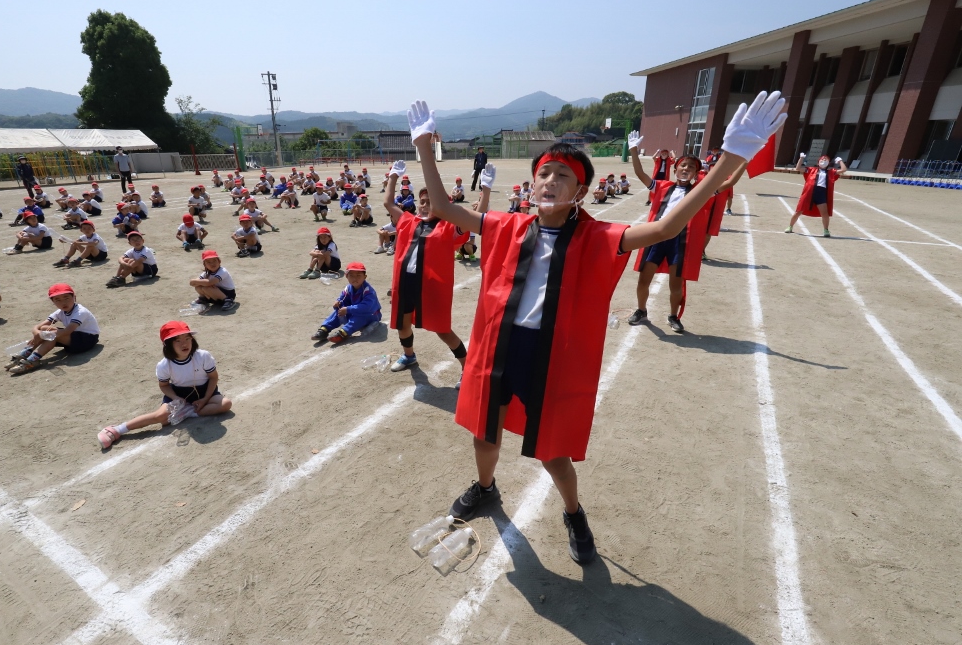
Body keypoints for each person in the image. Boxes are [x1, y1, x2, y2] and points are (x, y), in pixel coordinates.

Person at [404, 93, 783, 562]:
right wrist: (424, 143)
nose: (550, 179)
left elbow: (665, 228)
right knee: (485, 432)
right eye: (543, 172)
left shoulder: (597, 235)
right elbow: (440, 206)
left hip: (552, 355)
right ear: (532, 182)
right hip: (501, 348)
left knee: (552, 452)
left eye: (563, 175)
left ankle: (573, 512)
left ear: (580, 191)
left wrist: (730, 159)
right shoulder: (507, 226)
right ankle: (486, 487)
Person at [383, 157, 491, 383]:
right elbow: (388, 203)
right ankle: (409, 355)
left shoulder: (447, 226)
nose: (425, 205)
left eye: (430, 201)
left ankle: (467, 367)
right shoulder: (408, 221)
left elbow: (474, 221)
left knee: (442, 330)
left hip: (431, 287)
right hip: (406, 283)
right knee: (402, 324)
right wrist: (393, 175)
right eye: (422, 200)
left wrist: (486, 190)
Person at [626, 135, 718, 333]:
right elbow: (640, 173)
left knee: (675, 285)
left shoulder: (698, 192)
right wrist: (633, 149)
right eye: (683, 165)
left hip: (679, 241)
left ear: (696, 174)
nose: (686, 169)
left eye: (691, 167)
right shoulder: (662, 186)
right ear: (675, 169)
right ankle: (641, 310)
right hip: (656, 237)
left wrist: (742, 161)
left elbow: (726, 184)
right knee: (644, 279)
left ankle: (673, 315)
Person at [96, 321, 233, 450]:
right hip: (179, 394)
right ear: (168, 345)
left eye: (187, 338)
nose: (184, 344)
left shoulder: (203, 356)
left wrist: (204, 400)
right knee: (160, 417)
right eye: (177, 341)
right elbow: (164, 385)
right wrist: (176, 398)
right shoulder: (164, 365)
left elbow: (213, 377)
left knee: (226, 404)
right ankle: (117, 429)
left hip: (205, 391)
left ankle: (189, 412)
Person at [5, 283, 100, 374]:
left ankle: (32, 360)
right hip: (73, 338)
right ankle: (25, 354)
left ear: (74, 297)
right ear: (53, 302)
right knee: (44, 329)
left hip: (87, 340)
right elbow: (37, 327)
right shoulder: (60, 312)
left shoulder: (80, 311)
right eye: (58, 300)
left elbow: (68, 331)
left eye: (66, 298)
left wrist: (42, 335)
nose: (63, 302)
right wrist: (37, 334)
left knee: (50, 334)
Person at [310, 261, 382, 343]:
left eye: (358, 276)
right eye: (351, 276)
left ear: (365, 277)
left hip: (371, 315)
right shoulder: (348, 288)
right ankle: (324, 329)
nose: (355, 278)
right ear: (346, 276)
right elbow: (342, 298)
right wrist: (338, 302)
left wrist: (348, 309)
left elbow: (366, 307)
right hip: (354, 310)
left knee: (359, 317)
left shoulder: (368, 290)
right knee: (339, 310)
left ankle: (343, 333)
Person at [786, 154, 848, 237]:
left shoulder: (831, 172)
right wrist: (801, 158)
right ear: (818, 162)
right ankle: (790, 226)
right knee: (798, 211)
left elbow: (844, 169)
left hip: (821, 194)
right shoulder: (811, 170)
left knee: (824, 213)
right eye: (822, 160)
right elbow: (798, 168)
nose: (823, 161)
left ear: (829, 163)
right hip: (809, 193)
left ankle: (826, 230)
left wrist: (840, 161)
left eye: (826, 160)